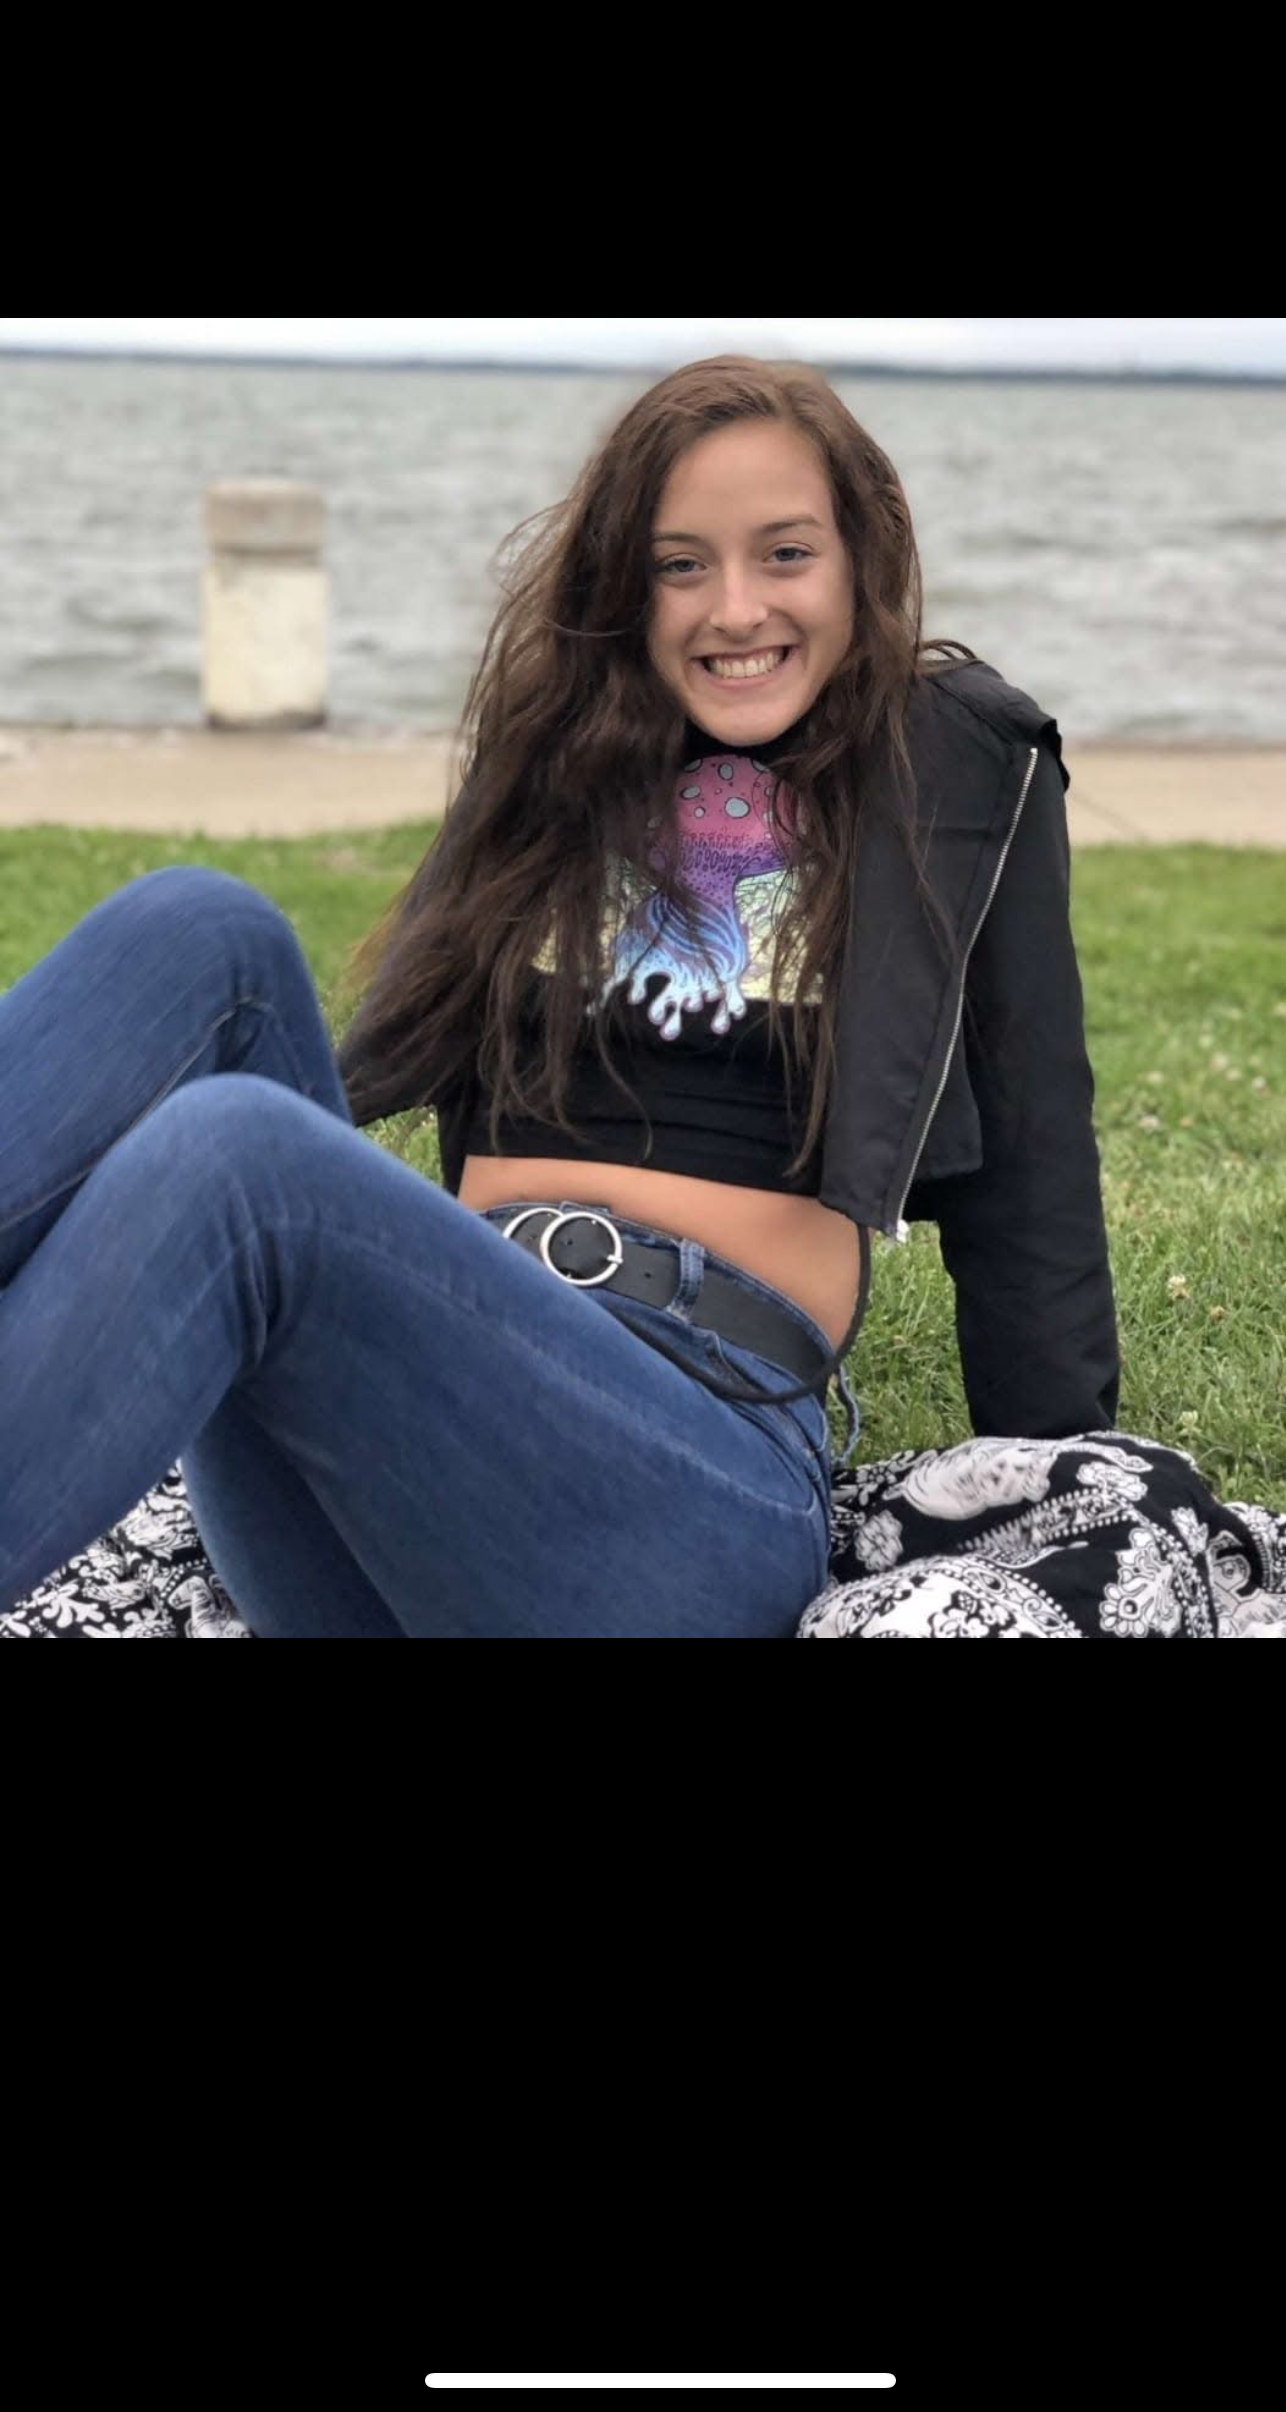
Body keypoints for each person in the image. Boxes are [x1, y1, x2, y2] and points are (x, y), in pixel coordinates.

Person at [0, 354, 1121, 1640]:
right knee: (200, 928)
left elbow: (1031, 1159)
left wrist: (1075, 1489)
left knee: (235, 1152)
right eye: (680, 564)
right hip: (416, 1455)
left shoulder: (945, 773)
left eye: (786, 553)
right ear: (623, 588)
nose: (735, 607)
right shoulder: (560, 756)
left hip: (689, 1486)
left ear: (861, 556)